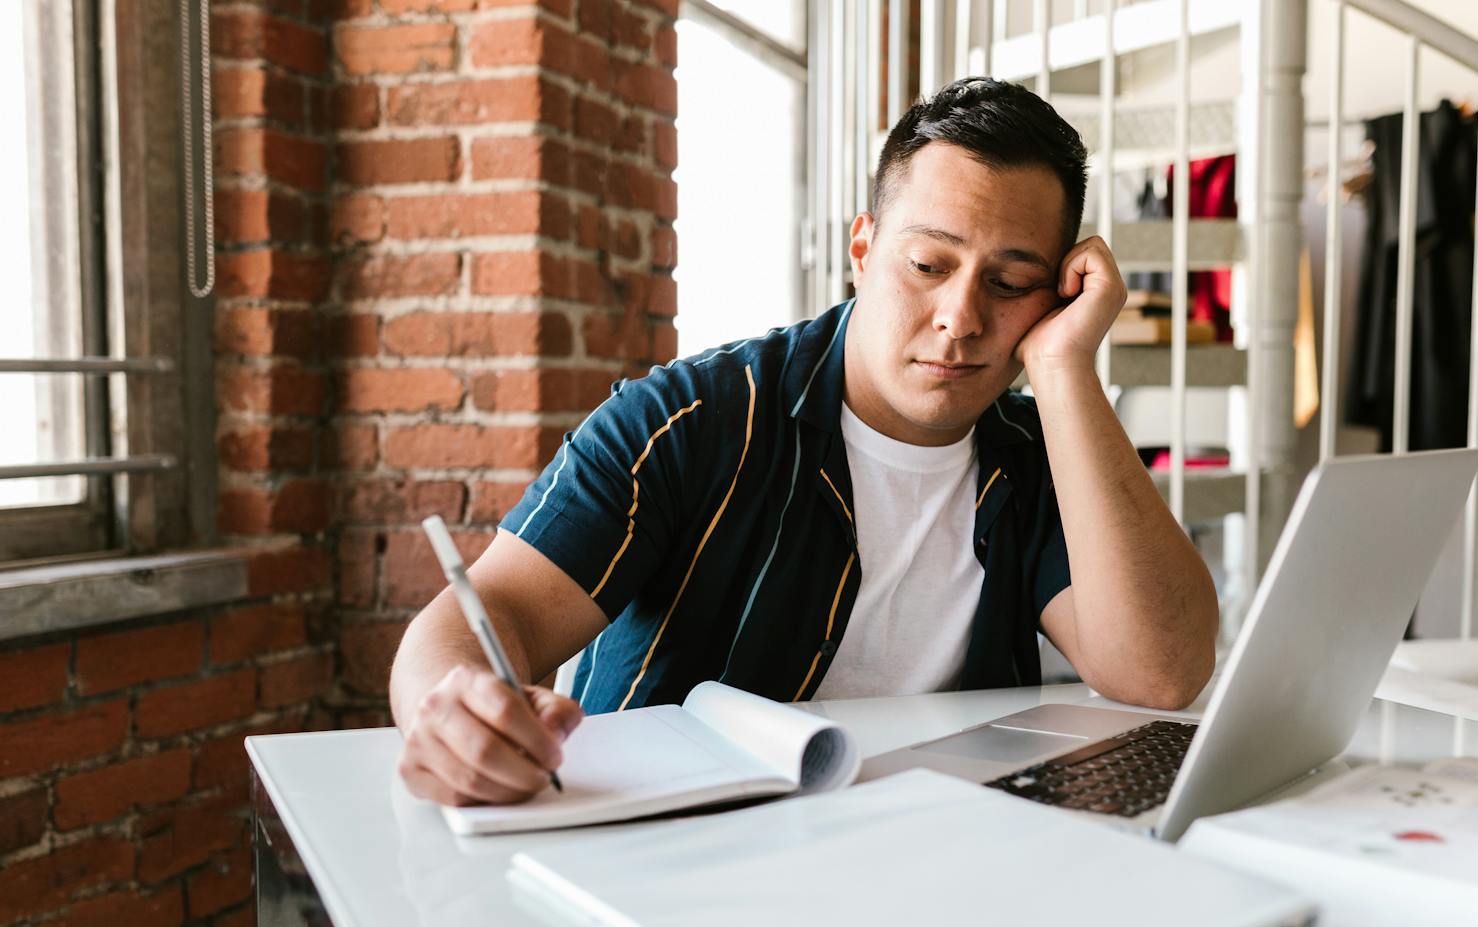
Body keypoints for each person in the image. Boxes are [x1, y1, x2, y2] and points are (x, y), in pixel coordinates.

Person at [389, 77, 1219, 807]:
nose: (961, 319)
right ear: (863, 248)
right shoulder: (691, 420)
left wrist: (1068, 367)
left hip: (941, 871)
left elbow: (1162, 672)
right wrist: (455, 710)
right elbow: (485, 615)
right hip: (675, 869)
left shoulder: (1039, 457)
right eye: (928, 265)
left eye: (1009, 284)